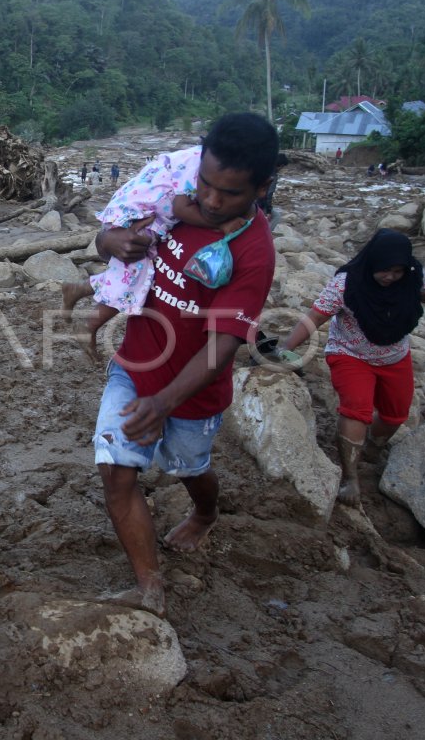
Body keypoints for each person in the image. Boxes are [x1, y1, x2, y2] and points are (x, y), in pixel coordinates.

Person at [91, 112, 279, 617]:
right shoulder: (178, 200)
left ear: (261, 187)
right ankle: (149, 588)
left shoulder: (253, 252)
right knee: (116, 473)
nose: (212, 202)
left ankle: (205, 510)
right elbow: (112, 236)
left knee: (187, 466)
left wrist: (165, 402)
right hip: (134, 365)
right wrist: (110, 241)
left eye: (230, 194)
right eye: (206, 185)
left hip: (193, 394)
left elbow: (222, 349)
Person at [276, 229, 425, 506]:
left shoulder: (413, 277)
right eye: (384, 270)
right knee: (356, 410)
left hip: (394, 356)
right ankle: (350, 478)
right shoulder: (346, 284)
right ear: (371, 263)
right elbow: (315, 317)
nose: (390, 277)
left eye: (397, 271)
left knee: (395, 415)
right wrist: (285, 348)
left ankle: (372, 448)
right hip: (350, 354)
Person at [60, 152, 248, 360]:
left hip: (141, 206)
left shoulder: (199, 156)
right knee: (134, 275)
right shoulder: (202, 164)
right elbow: (181, 207)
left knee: (138, 275)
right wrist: (220, 223)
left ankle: (80, 289)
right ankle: (90, 324)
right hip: (142, 214)